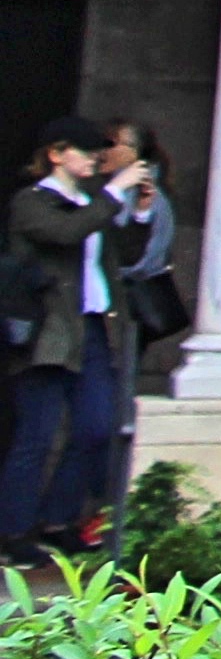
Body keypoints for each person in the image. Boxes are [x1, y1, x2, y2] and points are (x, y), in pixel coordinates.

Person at [0, 123, 109, 555]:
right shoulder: (32, 202)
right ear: (57, 154)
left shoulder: (93, 202)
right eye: (85, 151)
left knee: (95, 428)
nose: (94, 159)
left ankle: (57, 518)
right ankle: (15, 531)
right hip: (47, 332)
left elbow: (132, 256)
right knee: (36, 434)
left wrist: (137, 210)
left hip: (94, 325)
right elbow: (65, 233)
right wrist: (113, 196)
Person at [71, 123, 177, 546]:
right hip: (92, 314)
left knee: (109, 418)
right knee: (92, 420)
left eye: (115, 144)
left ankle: (104, 514)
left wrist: (138, 210)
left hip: (125, 318)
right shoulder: (98, 194)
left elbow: (142, 259)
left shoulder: (146, 199)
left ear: (138, 155)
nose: (105, 150)